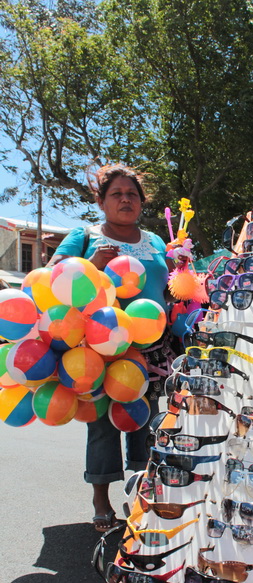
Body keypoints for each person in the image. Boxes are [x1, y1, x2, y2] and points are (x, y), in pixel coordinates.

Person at [49, 163, 177, 531]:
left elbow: (167, 288)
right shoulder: (85, 235)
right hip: (97, 351)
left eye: (132, 195)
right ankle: (101, 500)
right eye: (117, 194)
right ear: (101, 201)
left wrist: (181, 275)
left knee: (145, 423)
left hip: (152, 349)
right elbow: (55, 276)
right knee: (103, 427)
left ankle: (141, 495)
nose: (125, 199)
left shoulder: (155, 241)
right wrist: (92, 264)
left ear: (141, 203)